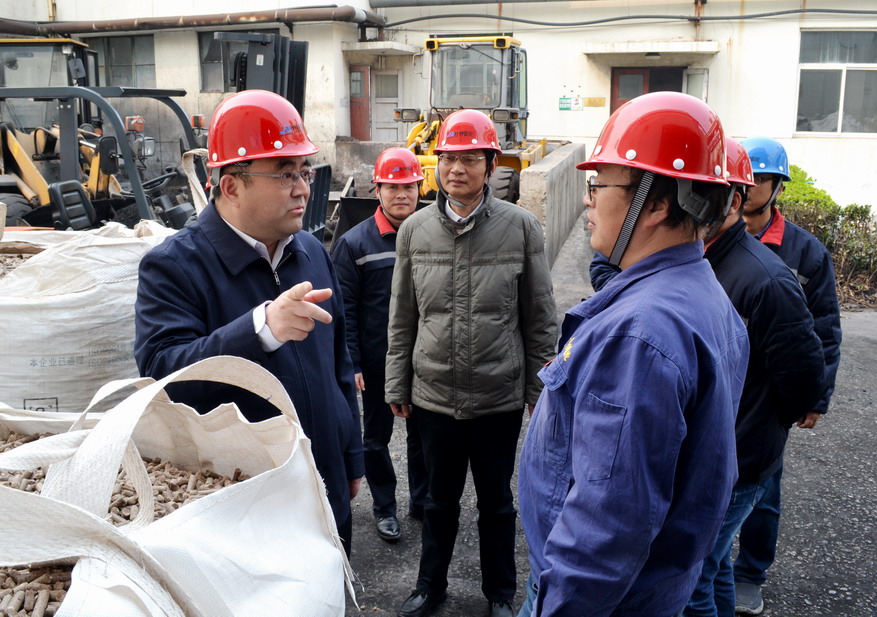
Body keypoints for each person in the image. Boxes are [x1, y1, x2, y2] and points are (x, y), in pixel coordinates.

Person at [517, 91, 750, 617]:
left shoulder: (639, 336)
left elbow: (606, 529)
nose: (588, 201)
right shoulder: (703, 296)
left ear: (657, 203)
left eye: (599, 185)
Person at [133, 89, 364, 555]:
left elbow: (338, 363)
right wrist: (260, 328)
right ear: (232, 186)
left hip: (326, 484)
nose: (303, 189)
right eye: (284, 174)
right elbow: (164, 374)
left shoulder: (312, 251)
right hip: (247, 505)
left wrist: (351, 454)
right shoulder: (175, 265)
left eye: (304, 171)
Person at [385, 109, 558, 617]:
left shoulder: (521, 228)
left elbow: (539, 317)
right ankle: (429, 586)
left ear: (490, 165)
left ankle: (499, 593)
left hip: (497, 396)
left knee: (497, 503)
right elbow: (402, 317)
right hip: (434, 395)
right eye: (448, 159)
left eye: (470, 159)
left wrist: (539, 391)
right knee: (436, 502)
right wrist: (397, 382)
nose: (457, 169)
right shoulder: (415, 231)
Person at [683, 137, 827, 616]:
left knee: (694, 575)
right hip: (715, 449)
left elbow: (806, 365)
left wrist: (772, 419)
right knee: (714, 564)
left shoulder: (767, 277)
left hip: (741, 454)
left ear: (735, 200)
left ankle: (751, 576)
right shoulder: (700, 255)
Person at [730, 137, 842, 615]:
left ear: (778, 187)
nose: (751, 186)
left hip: (771, 391)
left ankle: (750, 573)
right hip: (724, 384)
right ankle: (707, 568)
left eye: (762, 178)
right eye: (745, 177)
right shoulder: (714, 237)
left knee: (763, 488)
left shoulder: (804, 252)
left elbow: (824, 330)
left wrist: (816, 397)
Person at [331, 147, 429, 543]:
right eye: (393, 187)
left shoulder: (432, 237)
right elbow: (344, 310)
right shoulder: (354, 244)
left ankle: (421, 501)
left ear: (420, 188)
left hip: (424, 358)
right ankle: (385, 508)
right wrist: (352, 361)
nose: (401, 194)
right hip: (376, 361)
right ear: (378, 191)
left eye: (409, 187)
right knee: (375, 438)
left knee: (424, 435)